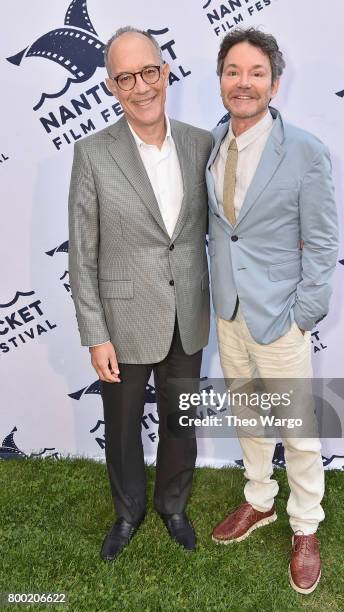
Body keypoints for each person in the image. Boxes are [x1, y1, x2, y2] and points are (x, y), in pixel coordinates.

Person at [68, 27, 211, 560]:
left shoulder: (202, 144)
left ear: (165, 73)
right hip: (123, 321)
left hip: (189, 315)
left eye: (148, 72)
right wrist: (94, 334)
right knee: (123, 430)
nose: (140, 87)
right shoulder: (92, 154)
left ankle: (174, 504)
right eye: (125, 78)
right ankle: (128, 512)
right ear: (111, 86)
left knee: (181, 422)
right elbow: (81, 255)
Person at [207, 27, 338, 594]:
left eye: (256, 73)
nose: (244, 82)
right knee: (249, 418)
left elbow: (325, 241)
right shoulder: (212, 143)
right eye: (233, 72)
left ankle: (305, 526)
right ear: (221, 82)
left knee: (299, 432)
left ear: (274, 83)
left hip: (281, 316)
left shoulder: (306, 151)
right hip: (228, 312)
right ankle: (259, 499)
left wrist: (305, 311)